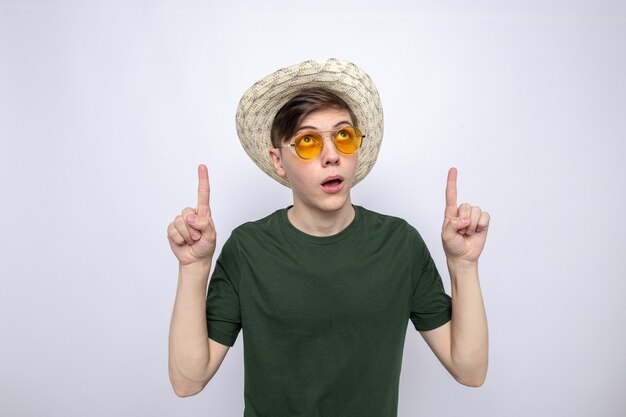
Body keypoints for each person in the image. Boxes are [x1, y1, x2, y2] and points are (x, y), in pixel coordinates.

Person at [167, 58, 490, 417]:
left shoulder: (400, 244)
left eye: (343, 136)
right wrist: (193, 268)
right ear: (278, 161)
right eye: (307, 142)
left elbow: (470, 371)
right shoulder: (247, 249)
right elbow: (188, 381)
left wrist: (464, 265)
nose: (332, 155)